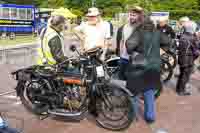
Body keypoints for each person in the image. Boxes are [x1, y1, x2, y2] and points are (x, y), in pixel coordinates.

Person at [121, 6, 164, 123]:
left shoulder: (139, 31)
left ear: (140, 21)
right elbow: (168, 43)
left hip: (139, 67)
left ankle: (133, 115)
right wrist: (158, 52)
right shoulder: (157, 32)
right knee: (149, 91)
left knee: (134, 91)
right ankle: (150, 116)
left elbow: (129, 45)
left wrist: (133, 53)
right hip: (154, 67)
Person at [176, 21, 200, 96]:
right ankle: (181, 91)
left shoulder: (182, 36)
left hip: (181, 58)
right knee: (185, 76)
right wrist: (196, 56)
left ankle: (178, 88)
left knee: (181, 74)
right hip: (188, 59)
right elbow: (195, 51)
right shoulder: (192, 38)